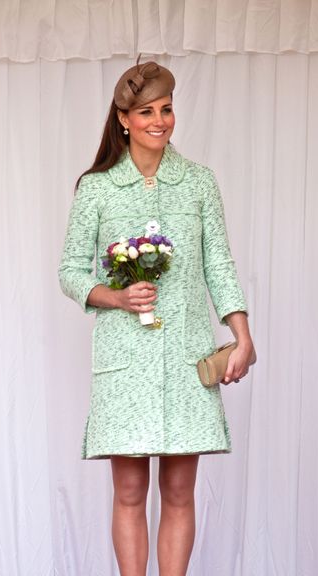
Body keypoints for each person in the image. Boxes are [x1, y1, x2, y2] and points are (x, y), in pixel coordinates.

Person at [59, 57, 255, 576]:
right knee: (128, 492)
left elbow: (220, 264)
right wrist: (115, 296)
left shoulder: (199, 183)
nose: (159, 120)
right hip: (124, 360)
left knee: (179, 490)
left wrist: (242, 334)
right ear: (124, 118)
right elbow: (71, 271)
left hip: (188, 355)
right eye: (146, 111)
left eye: (166, 109)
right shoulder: (96, 188)